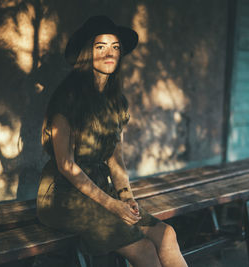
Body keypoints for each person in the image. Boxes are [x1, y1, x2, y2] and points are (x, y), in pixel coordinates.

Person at [36, 15, 188, 267]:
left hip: (99, 189)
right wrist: (112, 205)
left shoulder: (115, 101)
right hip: (62, 197)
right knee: (145, 250)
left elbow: (115, 157)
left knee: (166, 235)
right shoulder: (67, 99)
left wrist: (125, 196)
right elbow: (66, 166)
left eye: (115, 47)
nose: (110, 53)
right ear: (87, 52)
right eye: (101, 47)